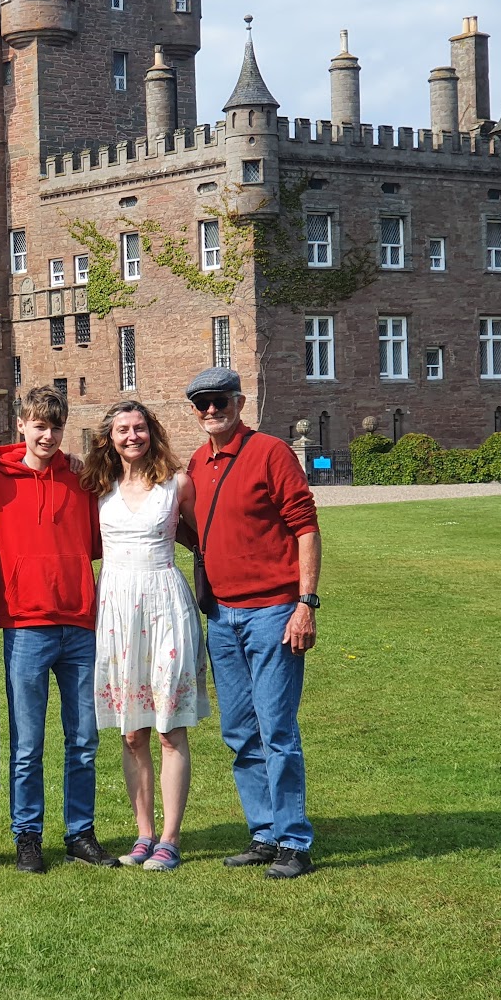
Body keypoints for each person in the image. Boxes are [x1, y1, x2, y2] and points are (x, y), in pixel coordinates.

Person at [184, 367, 321, 880]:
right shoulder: (198, 462)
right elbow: (197, 530)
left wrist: (305, 603)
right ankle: (264, 832)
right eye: (202, 403)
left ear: (239, 403)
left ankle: (293, 840)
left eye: (219, 400)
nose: (211, 410)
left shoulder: (270, 452)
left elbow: (305, 527)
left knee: (276, 728)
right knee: (240, 730)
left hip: (272, 612)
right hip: (222, 616)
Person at [0, 385, 117, 873]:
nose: (48, 436)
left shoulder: (80, 480)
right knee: (27, 743)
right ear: (20, 425)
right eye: (39, 426)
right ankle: (28, 837)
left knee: (83, 741)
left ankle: (81, 833)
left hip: (78, 622)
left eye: (56, 427)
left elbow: (101, 541)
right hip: (25, 626)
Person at [81, 400, 209, 871]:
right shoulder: (98, 487)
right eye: (122, 429)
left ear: (151, 432)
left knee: (169, 728)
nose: (132, 436)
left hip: (165, 605)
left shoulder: (177, 483)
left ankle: (170, 839)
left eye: (139, 427)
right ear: (109, 438)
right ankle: (144, 834)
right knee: (132, 732)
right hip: (116, 609)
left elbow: (204, 537)